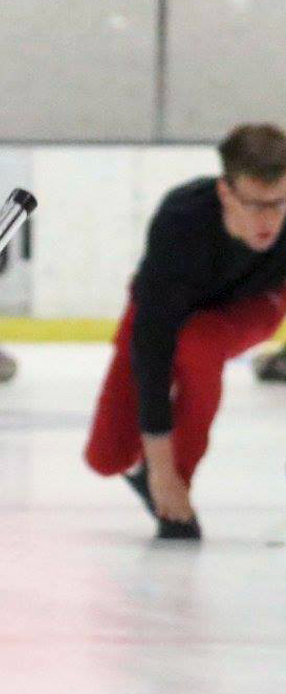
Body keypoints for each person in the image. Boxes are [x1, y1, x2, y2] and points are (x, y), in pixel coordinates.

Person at [82, 123, 286, 540]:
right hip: (164, 310)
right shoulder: (182, 221)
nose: (269, 219)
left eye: (279, 203)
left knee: (199, 345)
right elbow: (152, 344)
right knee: (105, 458)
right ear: (226, 192)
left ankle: (176, 493)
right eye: (255, 204)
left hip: (251, 306)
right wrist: (157, 468)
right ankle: (152, 478)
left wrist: (174, 477)